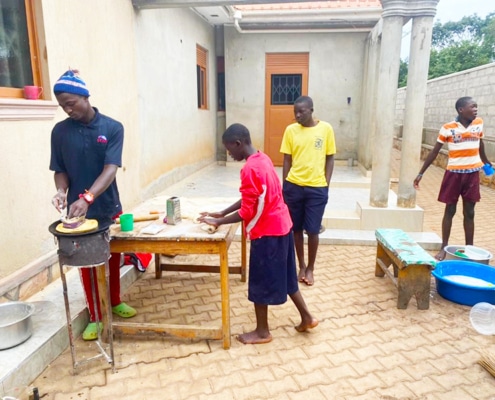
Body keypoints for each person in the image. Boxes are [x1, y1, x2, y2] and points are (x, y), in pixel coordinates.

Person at [199, 123, 318, 344]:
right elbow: (253, 197)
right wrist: (222, 211)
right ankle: (307, 317)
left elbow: (247, 210)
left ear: (238, 143)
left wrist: (219, 221)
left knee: (260, 283)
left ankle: (262, 332)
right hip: (283, 227)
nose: (229, 154)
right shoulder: (262, 159)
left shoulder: (250, 169)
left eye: (229, 149)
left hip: (267, 233)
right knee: (288, 276)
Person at [50, 69, 137, 340]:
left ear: (85, 96)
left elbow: (111, 169)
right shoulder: (60, 132)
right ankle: (96, 315)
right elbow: (59, 169)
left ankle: (113, 300)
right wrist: (62, 191)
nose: (67, 109)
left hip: (105, 205)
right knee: (85, 264)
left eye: (71, 103)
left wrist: (88, 197)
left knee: (110, 258)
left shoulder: (112, 128)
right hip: (77, 213)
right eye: (62, 105)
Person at [413, 96, 492, 261]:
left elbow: (480, 144)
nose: (476, 109)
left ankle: (469, 249)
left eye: (476, 107)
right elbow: (435, 152)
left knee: (469, 212)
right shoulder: (448, 128)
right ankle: (444, 247)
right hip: (453, 174)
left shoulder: (478, 123)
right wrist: (421, 173)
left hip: (472, 174)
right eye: (473, 106)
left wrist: (486, 162)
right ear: (461, 110)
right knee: (450, 210)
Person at [280, 96, 336, 286]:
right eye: (295, 111)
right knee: (295, 229)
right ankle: (301, 266)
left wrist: (326, 184)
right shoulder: (291, 130)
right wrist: (285, 186)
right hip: (293, 187)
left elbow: (330, 158)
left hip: (316, 189)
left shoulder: (325, 129)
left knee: (312, 230)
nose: (297, 115)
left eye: (301, 112)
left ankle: (311, 268)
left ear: (311, 110)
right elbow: (287, 160)